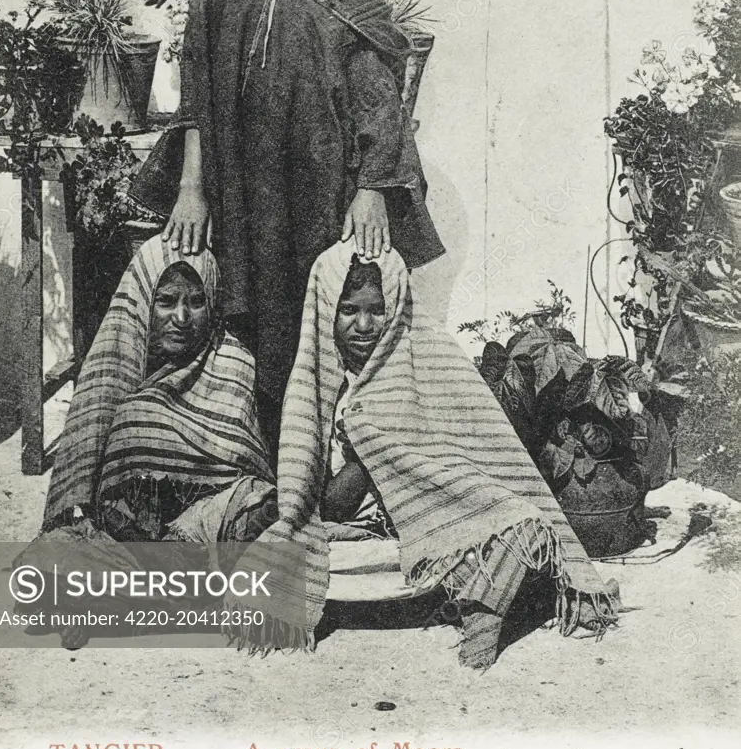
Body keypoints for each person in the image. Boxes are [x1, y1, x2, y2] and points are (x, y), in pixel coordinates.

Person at [129, 0, 444, 457]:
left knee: (325, 318)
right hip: (242, 185)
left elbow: (376, 92)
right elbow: (198, 92)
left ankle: (328, 463)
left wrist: (374, 186)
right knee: (248, 322)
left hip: (321, 182)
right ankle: (252, 457)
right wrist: (192, 190)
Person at [241, 241, 619, 669]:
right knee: (324, 557)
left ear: (399, 307)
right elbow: (325, 506)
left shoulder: (430, 361)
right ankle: (481, 594)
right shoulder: (324, 390)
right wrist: (370, 451)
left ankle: (483, 610)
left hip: (438, 520)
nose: (364, 325)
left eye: (377, 310)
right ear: (327, 309)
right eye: (349, 310)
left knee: (525, 522)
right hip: (368, 537)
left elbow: (477, 456)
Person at [40, 233, 276, 547]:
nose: (181, 318)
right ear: (143, 303)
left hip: (216, 534)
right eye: (165, 301)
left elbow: (252, 485)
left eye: (196, 301)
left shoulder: (235, 364)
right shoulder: (117, 374)